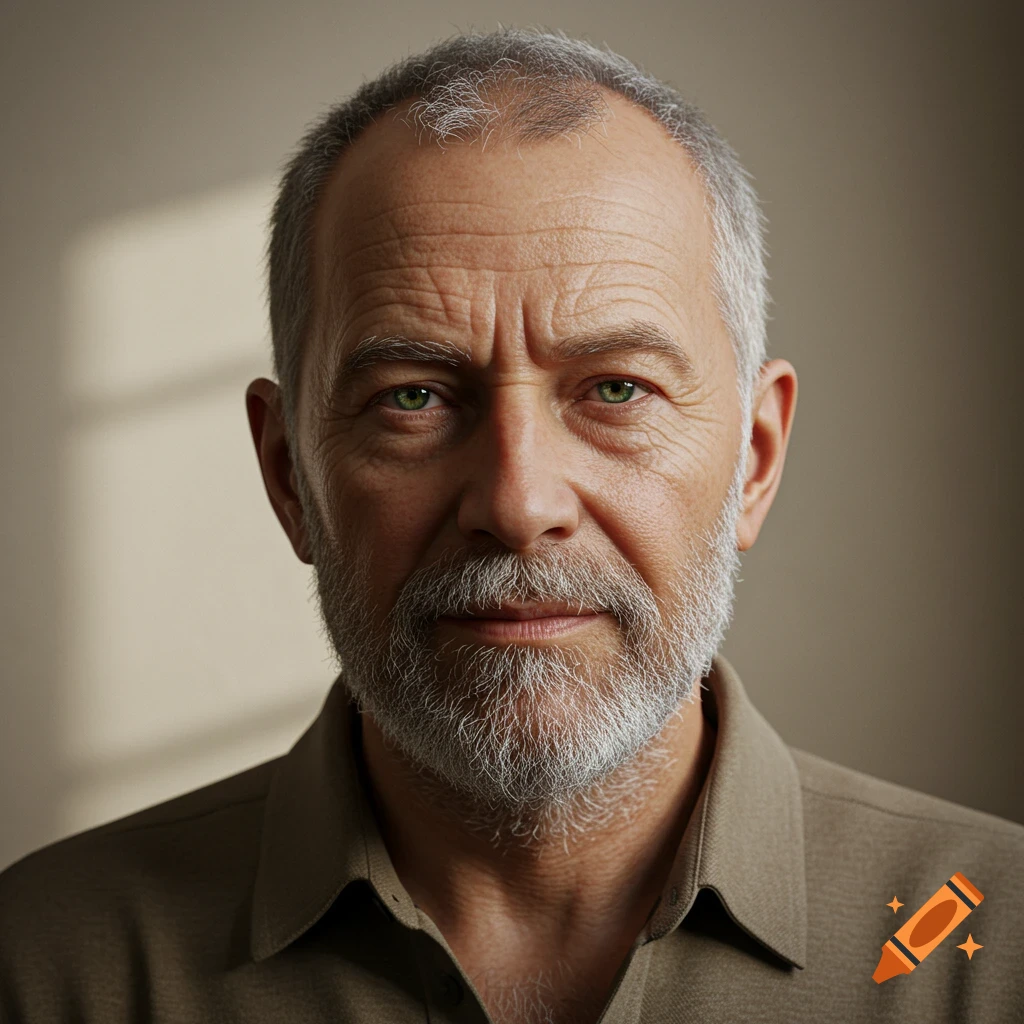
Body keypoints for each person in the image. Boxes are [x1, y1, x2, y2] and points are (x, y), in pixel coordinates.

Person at [1, 26, 1021, 1024]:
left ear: (753, 460)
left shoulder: (1000, 945)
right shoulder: (42, 969)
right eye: (412, 397)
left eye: (616, 388)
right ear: (289, 477)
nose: (519, 504)